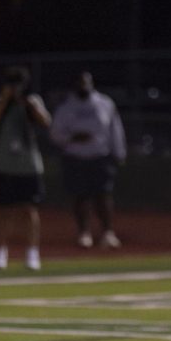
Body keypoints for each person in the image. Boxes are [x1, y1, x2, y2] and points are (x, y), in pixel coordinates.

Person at [50, 71, 126, 249]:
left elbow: (115, 129)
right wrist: (73, 138)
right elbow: (55, 134)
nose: (83, 86)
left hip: (100, 156)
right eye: (80, 83)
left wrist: (119, 152)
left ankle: (107, 232)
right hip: (75, 157)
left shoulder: (104, 103)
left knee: (103, 195)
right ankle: (84, 232)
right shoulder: (66, 107)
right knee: (80, 196)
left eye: (86, 82)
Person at [0, 66, 52, 271]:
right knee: (5, 211)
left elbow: (45, 122)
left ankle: (32, 253)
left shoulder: (31, 102)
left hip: (29, 164)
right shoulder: (1, 102)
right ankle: (0, 252)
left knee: (30, 210)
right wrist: (5, 99)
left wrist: (31, 106)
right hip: (6, 164)